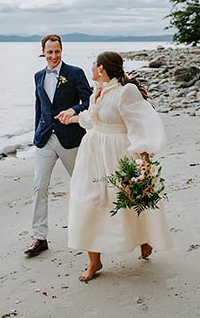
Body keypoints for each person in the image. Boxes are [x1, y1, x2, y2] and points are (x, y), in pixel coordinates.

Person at [59, 51, 172, 281]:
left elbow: (141, 123)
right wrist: (70, 118)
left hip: (118, 153)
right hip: (92, 153)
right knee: (87, 201)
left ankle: (144, 241)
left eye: (93, 64)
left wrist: (144, 159)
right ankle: (94, 262)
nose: (91, 68)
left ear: (101, 68)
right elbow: (92, 119)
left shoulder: (125, 92)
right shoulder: (97, 92)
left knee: (128, 201)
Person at [25, 34, 93, 257]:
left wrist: (74, 110)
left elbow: (89, 102)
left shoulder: (75, 73)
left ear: (62, 51)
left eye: (57, 51)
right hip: (45, 139)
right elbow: (39, 108)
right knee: (39, 186)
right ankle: (39, 237)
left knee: (82, 184)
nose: (53, 56)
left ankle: (92, 229)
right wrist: (37, 133)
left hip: (70, 138)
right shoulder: (37, 76)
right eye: (49, 52)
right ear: (43, 52)